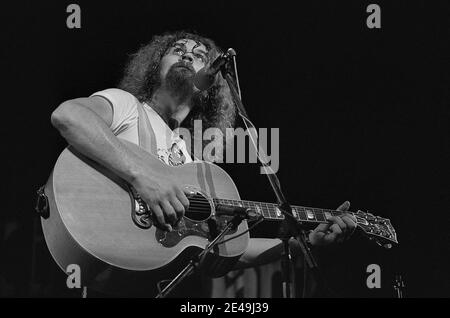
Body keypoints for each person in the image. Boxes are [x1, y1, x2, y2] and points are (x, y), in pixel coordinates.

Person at [50, 30, 357, 297]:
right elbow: (69, 116)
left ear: (209, 84)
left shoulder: (192, 163)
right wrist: (141, 175)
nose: (187, 56)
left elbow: (226, 250)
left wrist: (304, 244)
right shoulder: (126, 105)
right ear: (155, 66)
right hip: (106, 262)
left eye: (199, 55)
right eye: (177, 51)